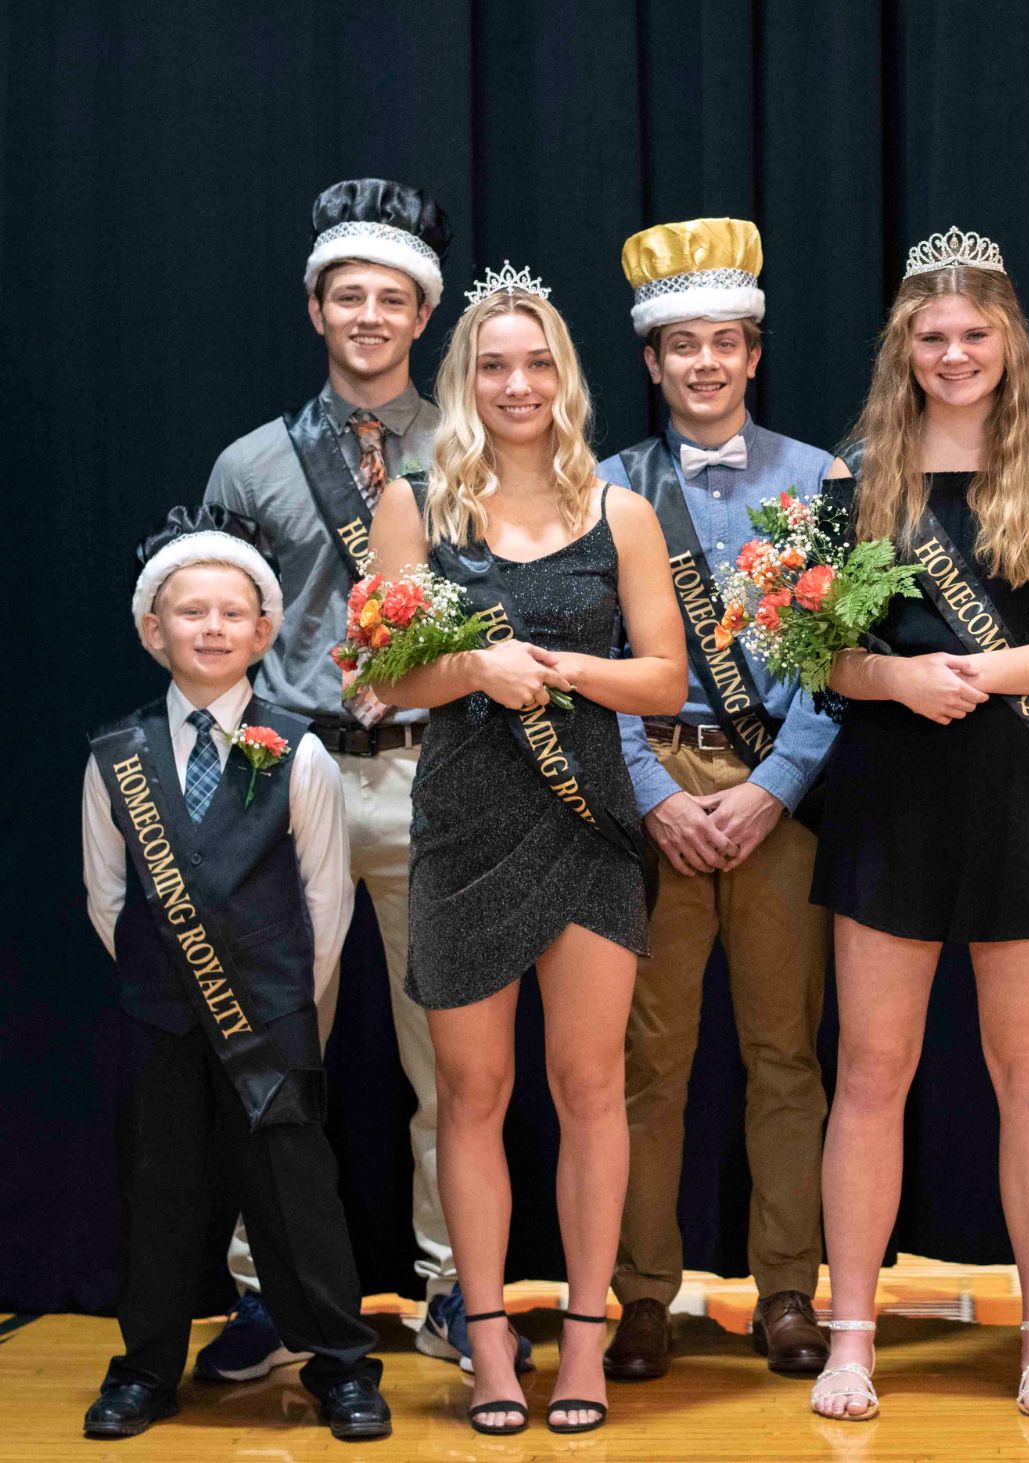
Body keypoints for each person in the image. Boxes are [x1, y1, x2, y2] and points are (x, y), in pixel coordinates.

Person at [806, 227, 1029, 1421]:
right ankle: (851, 1339)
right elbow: (814, 654)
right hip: (889, 791)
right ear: (903, 346)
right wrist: (895, 678)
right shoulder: (856, 474)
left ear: (1008, 342)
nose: (953, 354)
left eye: (972, 334)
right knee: (869, 1068)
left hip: (1024, 791)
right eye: (931, 336)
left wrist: (983, 674)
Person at [367, 266, 688, 1436]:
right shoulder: (415, 506)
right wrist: (473, 667)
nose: (516, 383)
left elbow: (666, 679)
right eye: (493, 364)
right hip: (464, 826)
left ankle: (586, 1338)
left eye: (536, 361)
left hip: (587, 823)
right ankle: (489, 1341)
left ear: (565, 377)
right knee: (470, 1092)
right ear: (464, 379)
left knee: (591, 1085)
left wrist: (561, 669)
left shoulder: (621, 511)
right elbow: (383, 676)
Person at [201, 177, 489, 1377]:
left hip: (438, 770)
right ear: (317, 308)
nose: (369, 315)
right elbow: (213, 635)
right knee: (276, 1048)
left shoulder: (476, 447)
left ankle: (457, 1286)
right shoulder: (251, 462)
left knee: (455, 1059)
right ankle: (269, 1289)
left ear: (422, 315)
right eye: (347, 295)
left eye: (390, 298)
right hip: (298, 776)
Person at [80, 507, 390, 1441]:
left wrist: (282, 1000)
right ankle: (145, 1369)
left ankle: (341, 1365)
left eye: (230, 613)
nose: (210, 629)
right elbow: (106, 897)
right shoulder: (116, 754)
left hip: (273, 1022)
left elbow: (326, 902)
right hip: (161, 1019)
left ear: (263, 632)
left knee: (297, 1198)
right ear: (154, 629)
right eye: (190, 612)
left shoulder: (301, 750)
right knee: (161, 1191)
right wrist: (170, 981)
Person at [596, 218, 842, 1381]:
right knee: (646, 1060)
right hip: (651, 788)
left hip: (778, 796)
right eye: (681, 343)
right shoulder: (605, 487)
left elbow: (841, 657)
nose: (704, 361)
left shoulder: (820, 478)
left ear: (753, 354)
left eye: (724, 341)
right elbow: (591, 661)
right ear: (651, 361)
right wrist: (652, 794)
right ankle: (641, 1291)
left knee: (784, 1051)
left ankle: (786, 1287)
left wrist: (774, 785)